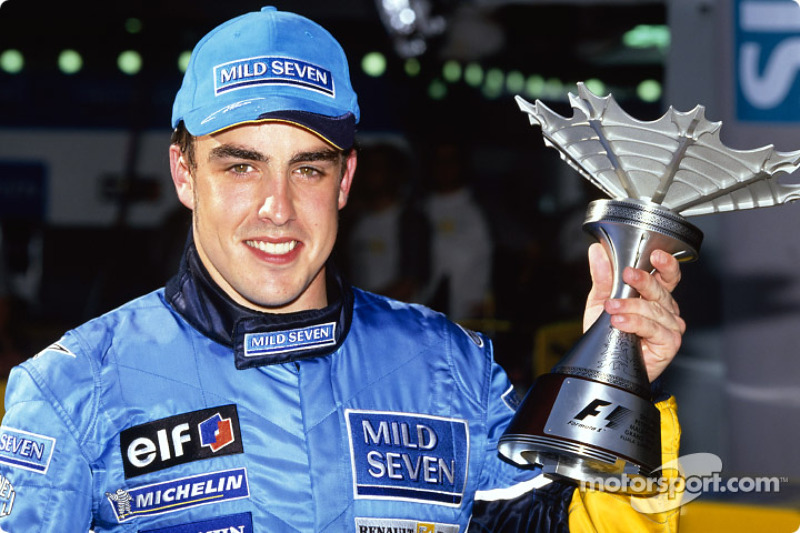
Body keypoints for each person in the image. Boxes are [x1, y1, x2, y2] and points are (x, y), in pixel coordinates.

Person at [0, 6, 685, 532]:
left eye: (309, 167)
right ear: (185, 172)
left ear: (346, 178)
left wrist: (619, 380)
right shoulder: (70, 390)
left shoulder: (448, 368)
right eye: (241, 165)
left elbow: (557, 522)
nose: (278, 207)